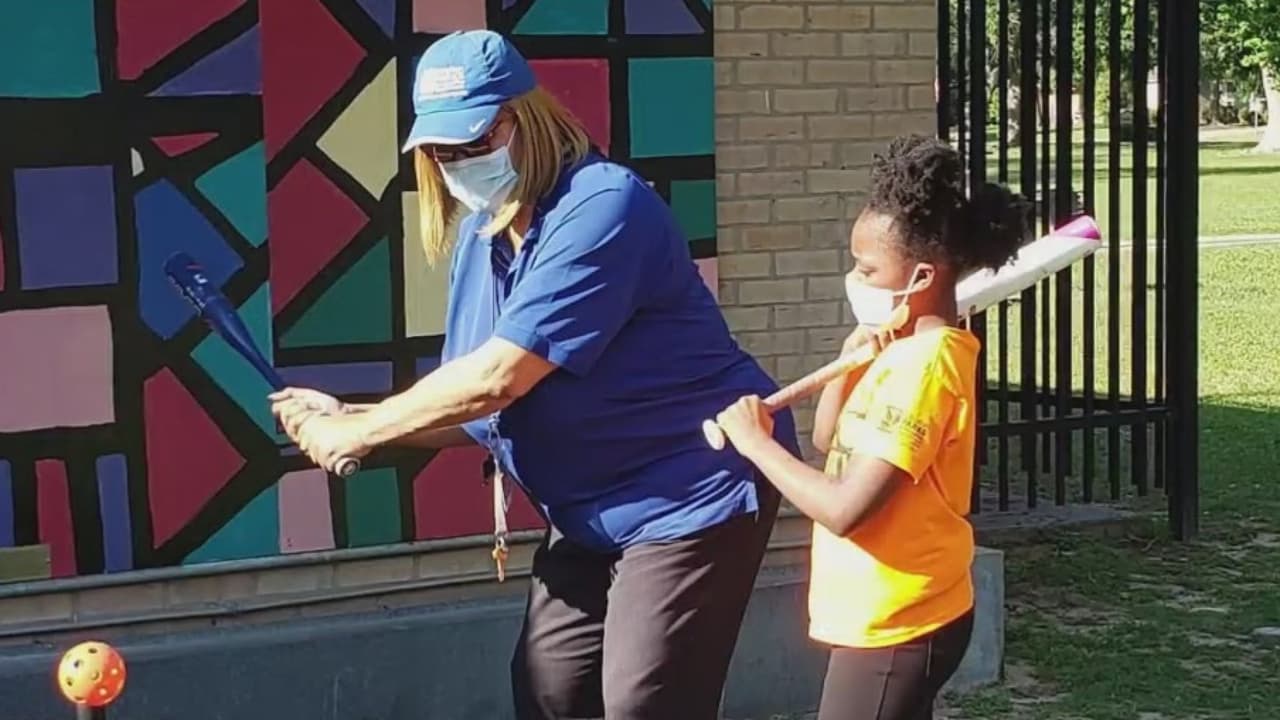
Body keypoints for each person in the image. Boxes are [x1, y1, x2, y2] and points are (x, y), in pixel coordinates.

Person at [269, 30, 799, 719]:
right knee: (551, 693)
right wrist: (352, 417)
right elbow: (476, 406)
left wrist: (362, 431)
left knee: (643, 704)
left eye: (475, 140)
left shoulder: (604, 206)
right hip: (588, 508)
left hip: (688, 487)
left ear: (526, 118)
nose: (458, 162)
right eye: (441, 150)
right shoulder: (483, 236)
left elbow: (498, 377)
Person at [713, 135, 1031, 720]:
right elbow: (829, 440)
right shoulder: (898, 351)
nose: (853, 279)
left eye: (867, 269)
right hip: (880, 611)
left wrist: (757, 445)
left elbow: (845, 508)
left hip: (903, 622)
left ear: (921, 276)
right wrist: (849, 360)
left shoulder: (925, 368)